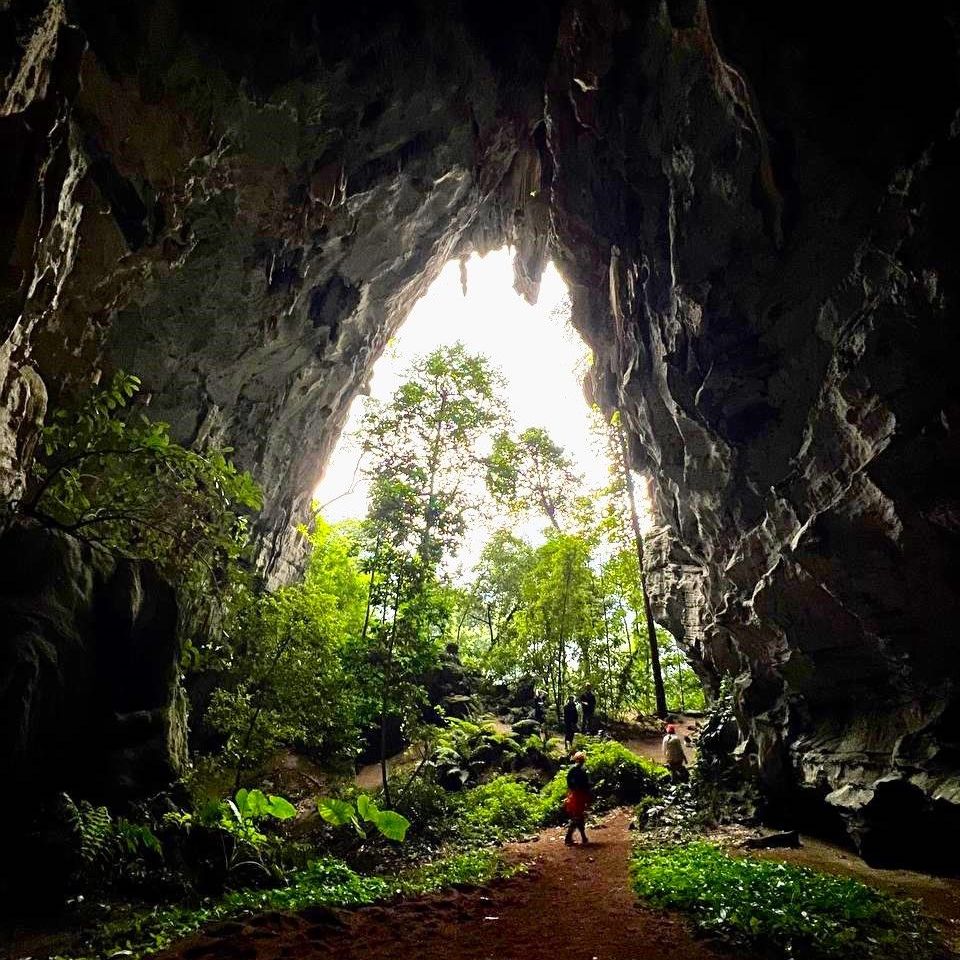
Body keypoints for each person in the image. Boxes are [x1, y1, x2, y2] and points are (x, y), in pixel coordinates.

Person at [564, 751, 591, 845]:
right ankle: (568, 838)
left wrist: (572, 790)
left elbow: (568, 782)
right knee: (577, 816)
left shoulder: (572, 769)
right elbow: (586, 784)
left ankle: (583, 837)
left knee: (578, 816)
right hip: (579, 795)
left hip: (574, 794)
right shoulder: (582, 770)